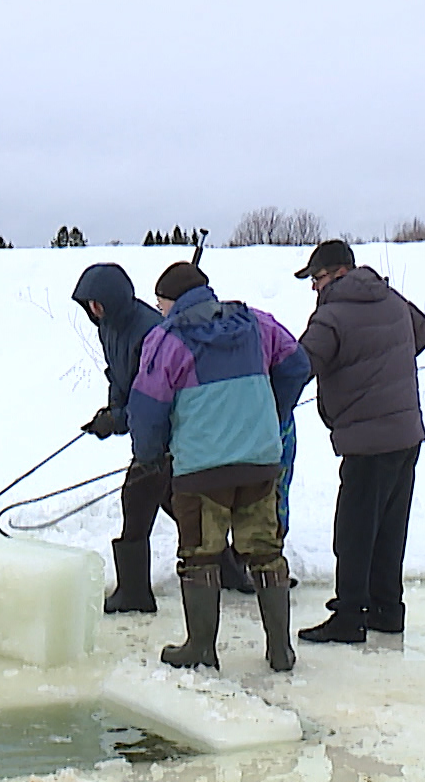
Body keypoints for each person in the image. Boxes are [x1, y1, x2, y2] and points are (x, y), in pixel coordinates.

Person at [128, 262, 310, 672]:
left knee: (200, 555)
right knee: (265, 552)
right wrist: (271, 413)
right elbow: (298, 365)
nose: (159, 312)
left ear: (171, 302)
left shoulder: (167, 339)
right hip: (261, 462)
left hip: (201, 469)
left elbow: (147, 408)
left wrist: (151, 456)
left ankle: (200, 648)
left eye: (160, 304)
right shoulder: (256, 324)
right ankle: (280, 650)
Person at [291, 240, 425, 645]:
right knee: (390, 527)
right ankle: (388, 610)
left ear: (337, 273)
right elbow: (423, 333)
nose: (314, 288)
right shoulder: (390, 297)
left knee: (354, 531)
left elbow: (301, 365)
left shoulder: (331, 314)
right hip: (406, 432)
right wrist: (383, 360)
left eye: (316, 278)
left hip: (367, 439)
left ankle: (349, 617)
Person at [71, 263, 176, 613]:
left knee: (139, 498)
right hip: (147, 429)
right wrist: (112, 408)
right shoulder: (109, 327)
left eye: (94, 302)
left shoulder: (150, 330)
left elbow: (155, 395)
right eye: (87, 304)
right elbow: (118, 375)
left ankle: (133, 593)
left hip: (167, 431)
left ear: (109, 301)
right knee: (177, 501)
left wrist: (119, 419)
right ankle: (227, 568)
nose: (91, 310)